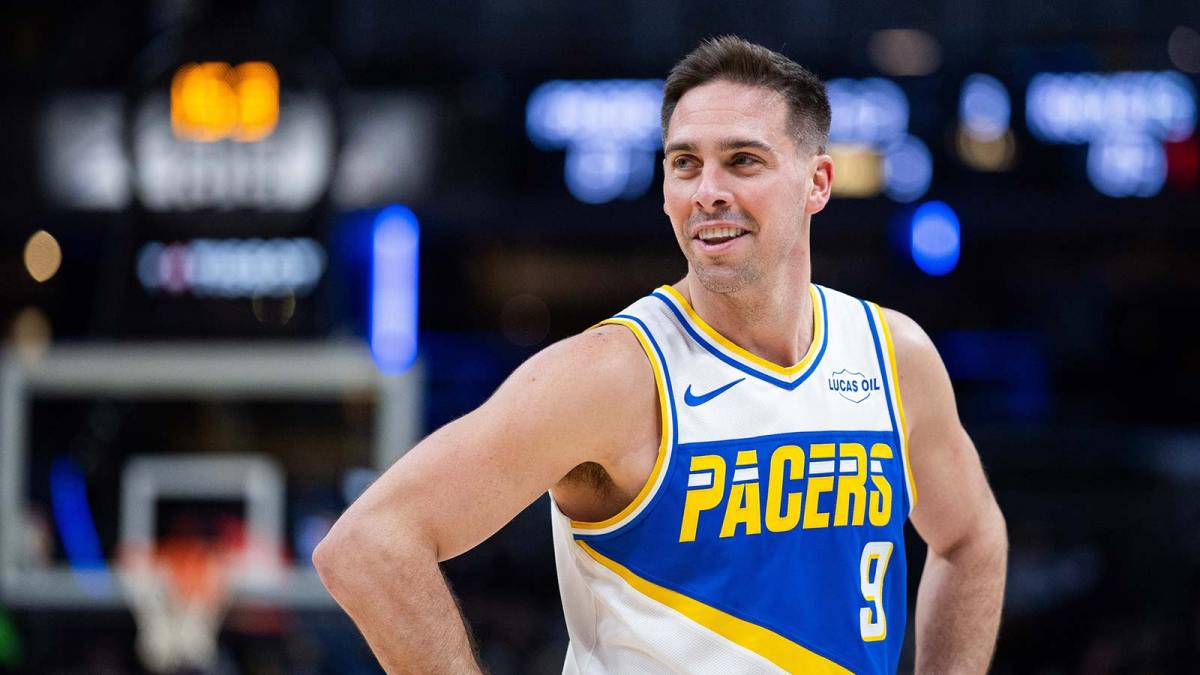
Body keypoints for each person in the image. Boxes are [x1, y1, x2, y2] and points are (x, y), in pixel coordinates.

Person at [314, 35, 1007, 674]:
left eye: (742, 160)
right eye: (685, 164)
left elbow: (972, 537)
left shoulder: (894, 356)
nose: (708, 191)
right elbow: (370, 545)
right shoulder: (609, 375)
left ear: (817, 182)